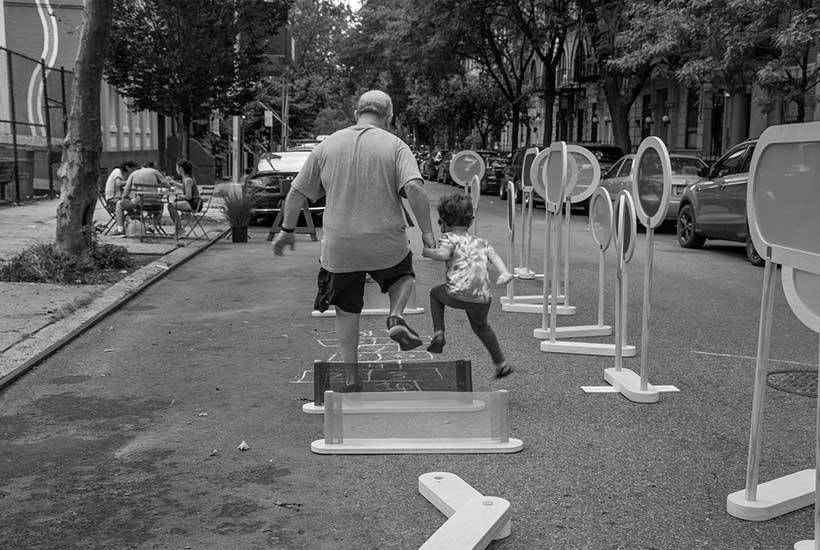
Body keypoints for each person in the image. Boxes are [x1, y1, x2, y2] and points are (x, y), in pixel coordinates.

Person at [272, 90, 436, 390]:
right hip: (385, 243)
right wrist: (427, 235)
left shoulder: (328, 146)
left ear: (356, 112)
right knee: (402, 277)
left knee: (347, 311)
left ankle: (350, 378)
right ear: (389, 117)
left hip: (340, 246)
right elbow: (414, 188)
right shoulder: (396, 146)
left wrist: (287, 230)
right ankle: (396, 316)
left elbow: (296, 193)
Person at [422, 193, 515, 378]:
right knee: (481, 327)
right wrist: (504, 272)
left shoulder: (448, 238)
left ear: (443, 221)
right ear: (471, 221)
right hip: (482, 297)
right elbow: (494, 257)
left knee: (434, 294)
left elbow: (442, 255)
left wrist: (427, 251)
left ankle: (439, 332)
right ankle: (501, 363)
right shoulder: (481, 242)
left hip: (456, 293)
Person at [114, 165, 168, 235]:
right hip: (155, 204)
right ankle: (151, 226)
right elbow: (167, 185)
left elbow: (125, 194)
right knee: (161, 206)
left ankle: (120, 229)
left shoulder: (133, 174)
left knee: (119, 204)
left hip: (139, 204)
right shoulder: (155, 172)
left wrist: (126, 197)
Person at [166, 159, 201, 236]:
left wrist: (180, 195)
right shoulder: (188, 178)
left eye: (176, 167)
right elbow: (185, 187)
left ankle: (179, 229)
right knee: (172, 204)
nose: (176, 169)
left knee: (171, 206)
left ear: (181, 169)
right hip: (194, 201)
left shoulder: (187, 180)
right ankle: (179, 227)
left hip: (193, 203)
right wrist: (174, 182)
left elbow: (188, 197)